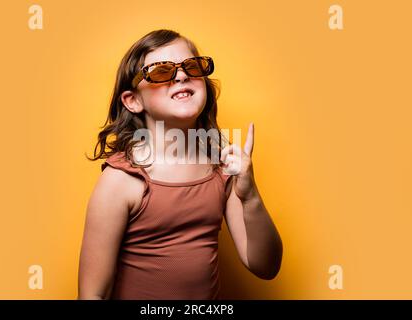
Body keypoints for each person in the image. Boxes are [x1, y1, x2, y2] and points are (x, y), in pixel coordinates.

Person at [78, 29, 283, 300]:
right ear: (133, 100)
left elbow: (266, 266)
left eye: (192, 66)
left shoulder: (222, 169)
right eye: (161, 71)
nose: (182, 75)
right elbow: (92, 295)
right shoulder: (122, 180)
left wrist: (251, 196)